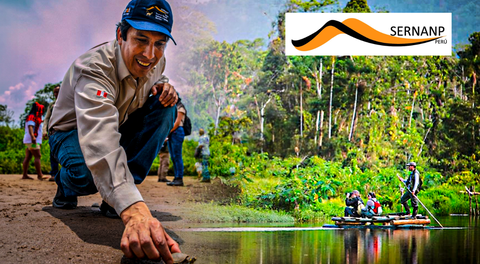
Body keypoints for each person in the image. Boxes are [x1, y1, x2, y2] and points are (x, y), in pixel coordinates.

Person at [47, 0, 182, 261]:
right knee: (86, 175)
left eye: (160, 44)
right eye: (141, 40)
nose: (149, 55)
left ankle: (112, 200)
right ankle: (65, 184)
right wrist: (134, 210)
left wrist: (167, 89)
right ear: (120, 35)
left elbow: (158, 80)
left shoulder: (156, 64)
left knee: (167, 107)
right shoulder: (94, 68)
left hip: (117, 124)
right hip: (70, 131)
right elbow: (99, 140)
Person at [22, 102, 48, 180]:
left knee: (28, 156)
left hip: (30, 140)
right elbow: (30, 127)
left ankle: (25, 175)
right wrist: (33, 137)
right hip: (32, 141)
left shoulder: (34, 117)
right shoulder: (32, 117)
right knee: (38, 155)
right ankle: (40, 175)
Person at [42, 85, 60, 182]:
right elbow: (47, 118)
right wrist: (45, 130)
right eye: (55, 92)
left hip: (65, 130)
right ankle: (54, 174)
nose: (56, 94)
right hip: (53, 132)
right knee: (53, 153)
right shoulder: (52, 105)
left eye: (58, 91)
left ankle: (67, 174)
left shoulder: (69, 102)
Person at [166, 101, 186, 186]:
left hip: (177, 131)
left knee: (177, 156)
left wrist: (167, 132)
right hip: (172, 133)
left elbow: (177, 123)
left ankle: (179, 178)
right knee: (173, 156)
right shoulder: (173, 107)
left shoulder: (180, 107)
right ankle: (176, 177)